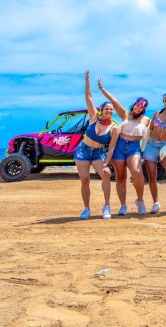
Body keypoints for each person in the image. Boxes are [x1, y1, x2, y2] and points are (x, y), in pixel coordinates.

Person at [100, 80, 151, 215]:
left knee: (137, 172)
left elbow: (150, 134)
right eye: (137, 105)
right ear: (134, 105)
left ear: (143, 109)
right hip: (119, 145)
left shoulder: (146, 120)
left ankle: (140, 201)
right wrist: (102, 89)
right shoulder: (124, 114)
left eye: (141, 107)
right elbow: (113, 100)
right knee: (120, 177)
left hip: (134, 147)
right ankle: (123, 205)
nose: (138, 108)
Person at [75, 71, 113, 220]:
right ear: (101, 110)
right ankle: (86, 209)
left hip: (98, 153)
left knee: (106, 174)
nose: (109, 110)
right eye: (106, 109)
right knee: (84, 180)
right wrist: (87, 81)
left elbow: (111, 147)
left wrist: (107, 162)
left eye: (111, 109)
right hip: (83, 151)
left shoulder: (113, 128)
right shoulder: (93, 118)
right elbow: (89, 98)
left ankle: (107, 206)